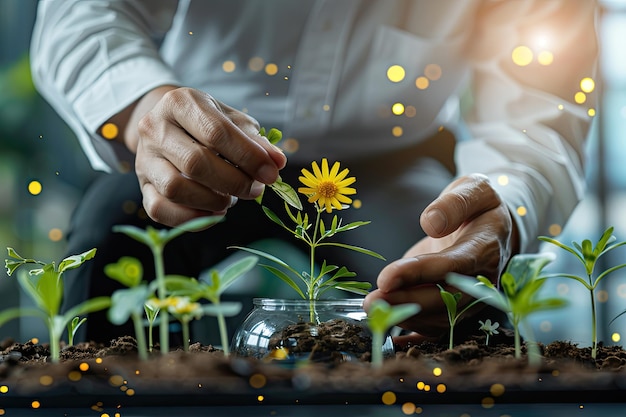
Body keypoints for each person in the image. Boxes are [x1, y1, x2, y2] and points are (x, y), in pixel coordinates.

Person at [30, 0, 598, 346]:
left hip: (393, 165)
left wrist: (502, 205)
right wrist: (144, 110)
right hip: (203, 150)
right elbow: (82, 11)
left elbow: (544, 102)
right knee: (107, 251)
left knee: (453, 301)